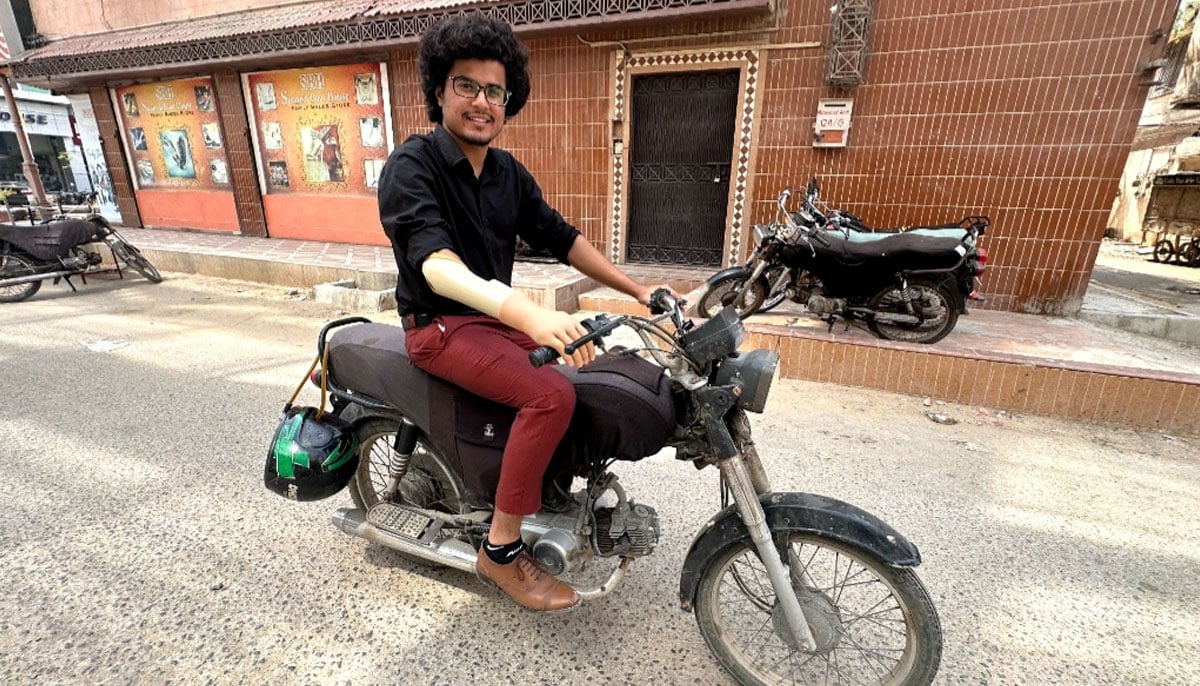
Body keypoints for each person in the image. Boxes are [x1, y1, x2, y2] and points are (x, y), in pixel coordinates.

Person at [378, 14, 673, 613]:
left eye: (495, 91)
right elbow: (437, 268)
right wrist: (529, 313)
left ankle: (546, 492)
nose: (482, 102)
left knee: (580, 372)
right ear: (439, 90)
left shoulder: (508, 174)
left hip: (491, 322)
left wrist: (637, 289)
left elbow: (564, 239)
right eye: (467, 86)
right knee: (550, 396)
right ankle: (503, 550)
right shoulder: (412, 167)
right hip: (438, 326)